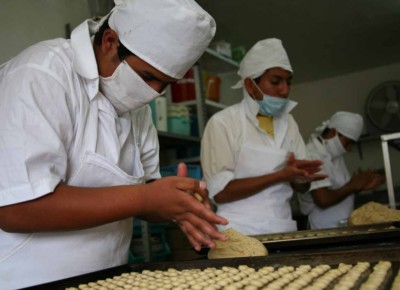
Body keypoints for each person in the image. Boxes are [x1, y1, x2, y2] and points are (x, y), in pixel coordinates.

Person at [0, 1, 228, 288]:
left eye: (166, 84)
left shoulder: (136, 106)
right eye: (148, 77)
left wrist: (178, 204)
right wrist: (147, 198)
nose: (153, 93)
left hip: (107, 278)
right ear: (110, 41)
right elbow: (14, 208)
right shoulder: (41, 75)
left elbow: (145, 196)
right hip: (27, 280)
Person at [200, 38, 326, 236]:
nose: (284, 90)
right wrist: (280, 175)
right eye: (276, 81)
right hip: (237, 233)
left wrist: (301, 177)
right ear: (250, 85)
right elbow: (221, 193)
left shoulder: (289, 123)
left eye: (288, 82)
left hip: (283, 229)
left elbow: (302, 188)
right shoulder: (223, 123)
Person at [297, 111, 385, 229]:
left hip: (343, 226)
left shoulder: (335, 153)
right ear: (333, 132)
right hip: (324, 229)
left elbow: (341, 190)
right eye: (348, 143)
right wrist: (352, 186)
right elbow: (323, 200)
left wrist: (359, 186)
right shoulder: (311, 154)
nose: (349, 149)